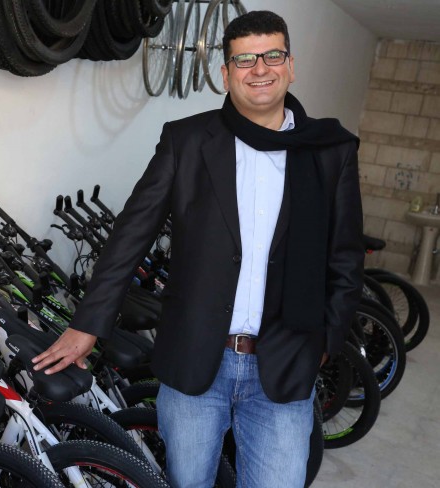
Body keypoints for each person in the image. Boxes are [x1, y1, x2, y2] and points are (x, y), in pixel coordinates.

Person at [32, 10, 363, 488]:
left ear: (290, 65)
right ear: (225, 73)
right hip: (195, 358)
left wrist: (328, 340)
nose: (260, 69)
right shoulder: (186, 140)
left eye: (272, 55)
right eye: (244, 60)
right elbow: (131, 234)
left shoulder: (330, 150)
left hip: (287, 359)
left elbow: (345, 256)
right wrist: (88, 324)